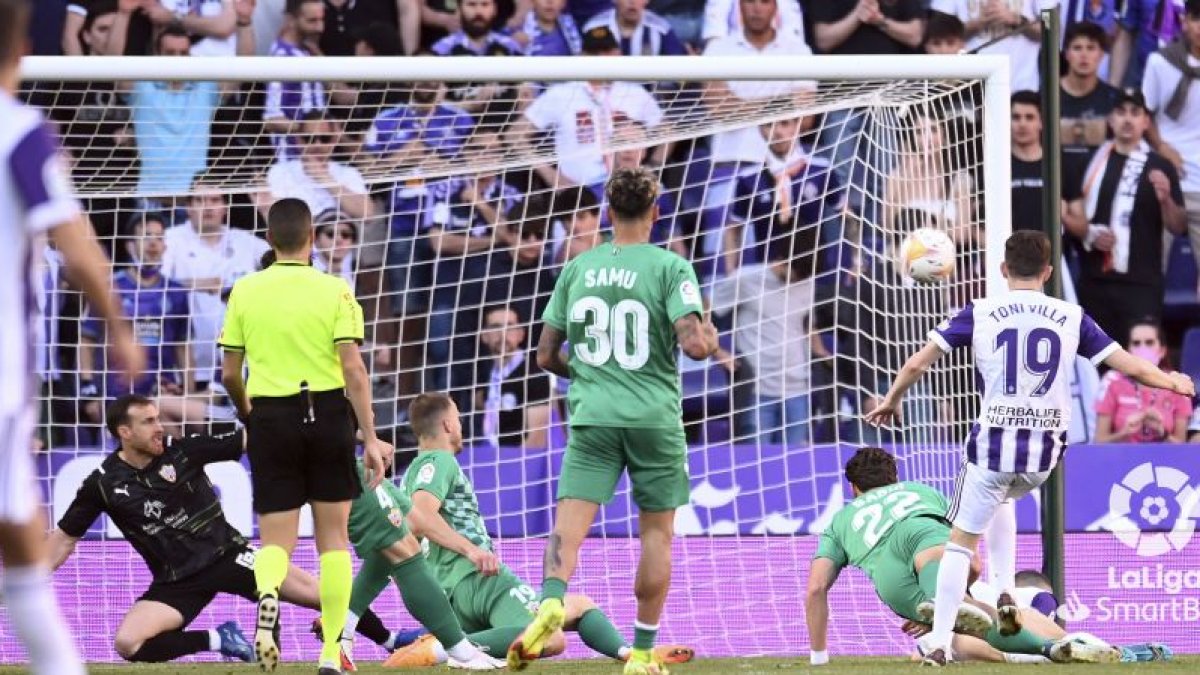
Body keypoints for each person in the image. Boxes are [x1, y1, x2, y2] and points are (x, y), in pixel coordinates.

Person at [864, 231, 1196, 666]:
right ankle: (1004, 589)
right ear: (1048, 272)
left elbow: (916, 363)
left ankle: (939, 642)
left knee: (959, 544)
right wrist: (1174, 381)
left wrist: (892, 399)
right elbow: (1129, 366)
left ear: (1003, 270)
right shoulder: (1070, 316)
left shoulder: (981, 311)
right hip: (1044, 455)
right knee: (1004, 495)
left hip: (994, 447)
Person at [509, 167, 719, 674]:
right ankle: (642, 651)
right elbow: (693, 345)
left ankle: (552, 600)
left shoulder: (578, 268)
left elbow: (543, 356)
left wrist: (584, 373)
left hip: (592, 415)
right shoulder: (671, 267)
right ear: (656, 212)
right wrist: (709, 341)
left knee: (568, 528)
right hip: (652, 418)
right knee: (656, 537)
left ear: (607, 212)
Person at [47, 394, 408, 665]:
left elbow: (262, 438)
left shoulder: (184, 451)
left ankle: (391, 640)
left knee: (325, 593)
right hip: (177, 580)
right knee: (128, 644)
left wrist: (357, 436)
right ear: (124, 432)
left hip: (229, 555)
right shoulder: (103, 485)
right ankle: (220, 639)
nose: (160, 427)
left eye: (158, 418)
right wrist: (25, 581)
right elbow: (63, 539)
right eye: (148, 422)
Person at [1, 3, 142, 672]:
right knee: (18, 532)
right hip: (3, 370)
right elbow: (78, 248)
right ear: (26, 46)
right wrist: (116, 325)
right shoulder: (21, 132)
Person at [385, 393, 692, 668]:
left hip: (451, 592)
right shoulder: (440, 461)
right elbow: (421, 516)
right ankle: (441, 648)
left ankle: (629, 653)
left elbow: (409, 525)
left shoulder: (411, 470)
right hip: (476, 580)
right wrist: (472, 550)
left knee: (580, 606)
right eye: (460, 419)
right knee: (550, 637)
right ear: (448, 425)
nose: (462, 425)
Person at [219, 198, 392, 674]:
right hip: (329, 413)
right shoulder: (335, 289)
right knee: (333, 542)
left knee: (275, 542)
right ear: (312, 237)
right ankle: (332, 652)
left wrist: (248, 413)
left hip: (271, 415)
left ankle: (269, 592)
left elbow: (230, 372)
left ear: (270, 240)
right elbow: (354, 369)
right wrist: (370, 436)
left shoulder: (245, 291)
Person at [805, 447, 1112, 667]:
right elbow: (963, 544)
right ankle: (1043, 643)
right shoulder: (918, 491)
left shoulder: (842, 520)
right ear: (895, 477)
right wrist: (953, 597)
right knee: (972, 606)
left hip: (890, 574)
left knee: (957, 622)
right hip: (929, 538)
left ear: (853, 488)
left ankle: (1043, 647)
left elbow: (816, 589)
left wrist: (819, 659)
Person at [1062, 89, 1187, 343]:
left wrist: (1166, 201)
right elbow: (1066, 214)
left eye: (1135, 113)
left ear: (1146, 122)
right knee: (1094, 367)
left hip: (1142, 284)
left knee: (1142, 365)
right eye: (1121, 112)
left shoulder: (1161, 166)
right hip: (1094, 280)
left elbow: (1178, 226)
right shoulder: (1089, 162)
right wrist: (1088, 233)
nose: (1127, 119)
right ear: (1110, 120)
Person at [1141, 0, 1200, 275]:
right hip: (1165, 177)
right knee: (1152, 272)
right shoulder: (1160, 62)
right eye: (1196, 18)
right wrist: (1162, 147)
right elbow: (1145, 114)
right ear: (1185, 21)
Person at [1095, 319, 1194, 442]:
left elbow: (1183, 450)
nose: (1143, 348)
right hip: (1122, 459)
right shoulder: (1112, 381)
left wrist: (1162, 432)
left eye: (1149, 342)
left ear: (1162, 350)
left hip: (1165, 460)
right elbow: (1098, 442)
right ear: (1128, 351)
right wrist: (1124, 433)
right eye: (1136, 343)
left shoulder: (1177, 383)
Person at [475, 305, 553, 448]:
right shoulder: (482, 375)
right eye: (495, 327)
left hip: (515, 463)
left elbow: (537, 440)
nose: (503, 334)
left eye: (509, 326)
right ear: (484, 336)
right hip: (485, 456)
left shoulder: (534, 376)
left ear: (521, 334)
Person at [582, 0, 688, 56]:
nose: (632, 2)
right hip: (604, 93)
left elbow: (677, 76)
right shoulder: (594, 27)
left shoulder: (662, 30)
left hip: (649, 95)